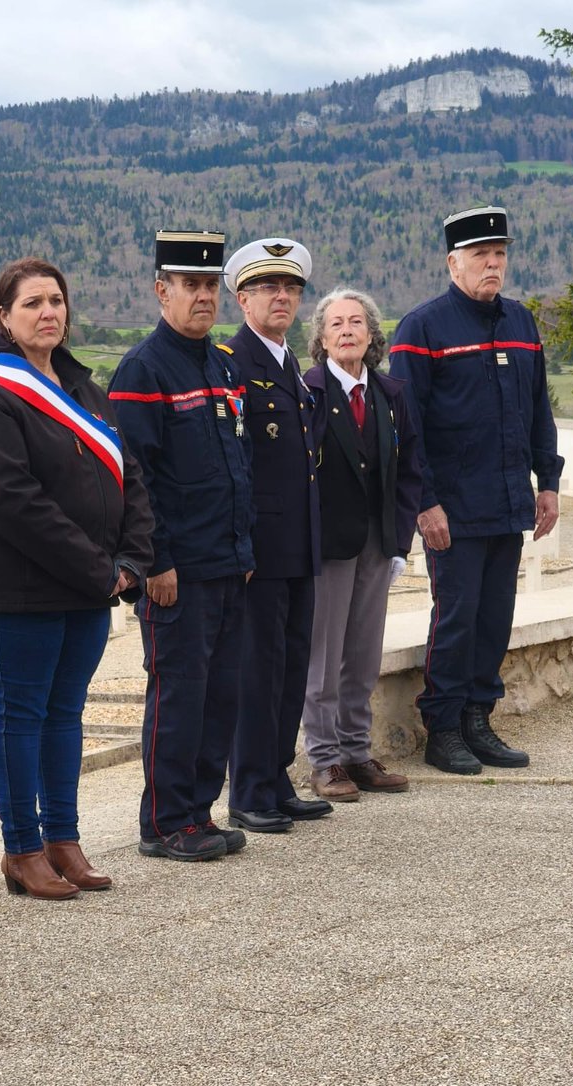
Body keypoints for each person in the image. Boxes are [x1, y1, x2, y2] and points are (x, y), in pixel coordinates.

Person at [0, 258, 153, 899]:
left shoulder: (83, 388)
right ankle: (21, 848)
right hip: (24, 587)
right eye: (33, 303)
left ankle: (62, 840)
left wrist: (131, 560)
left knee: (67, 714)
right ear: (4, 318)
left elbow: (131, 480)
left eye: (57, 301)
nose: (49, 312)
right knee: (22, 714)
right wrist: (97, 567)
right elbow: (10, 497)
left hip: (91, 585)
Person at [388, 205, 563, 774]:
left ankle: (478, 720)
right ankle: (443, 727)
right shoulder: (423, 328)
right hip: (453, 508)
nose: (493, 264)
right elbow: (405, 427)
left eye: (500, 254)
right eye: (480, 256)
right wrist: (426, 502)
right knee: (457, 616)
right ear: (452, 262)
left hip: (509, 498)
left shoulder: (521, 322)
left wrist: (549, 482)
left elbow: (539, 409)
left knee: (495, 616)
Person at [109, 230, 255, 862]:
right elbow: (133, 476)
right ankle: (166, 821)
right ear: (161, 290)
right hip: (179, 570)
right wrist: (156, 560)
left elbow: (236, 465)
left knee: (221, 694)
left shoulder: (222, 365)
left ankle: (199, 811)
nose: (203, 296)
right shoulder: (143, 370)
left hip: (227, 563)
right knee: (179, 694)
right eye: (191, 286)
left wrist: (244, 551)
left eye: (210, 286)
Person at [219, 237, 331, 832]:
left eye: (291, 288)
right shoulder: (234, 363)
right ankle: (250, 788)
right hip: (259, 547)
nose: (282, 296)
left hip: (299, 545)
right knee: (258, 669)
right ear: (242, 298)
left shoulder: (291, 366)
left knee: (291, 666)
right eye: (268, 287)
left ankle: (278, 776)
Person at [301, 288, 423, 798]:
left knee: (364, 652)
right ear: (321, 338)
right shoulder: (306, 390)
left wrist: (399, 539)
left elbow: (411, 468)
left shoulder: (391, 393)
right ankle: (325, 759)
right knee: (323, 655)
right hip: (327, 543)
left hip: (377, 539)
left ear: (372, 334)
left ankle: (356, 751)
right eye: (336, 324)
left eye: (356, 322)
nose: (347, 330)